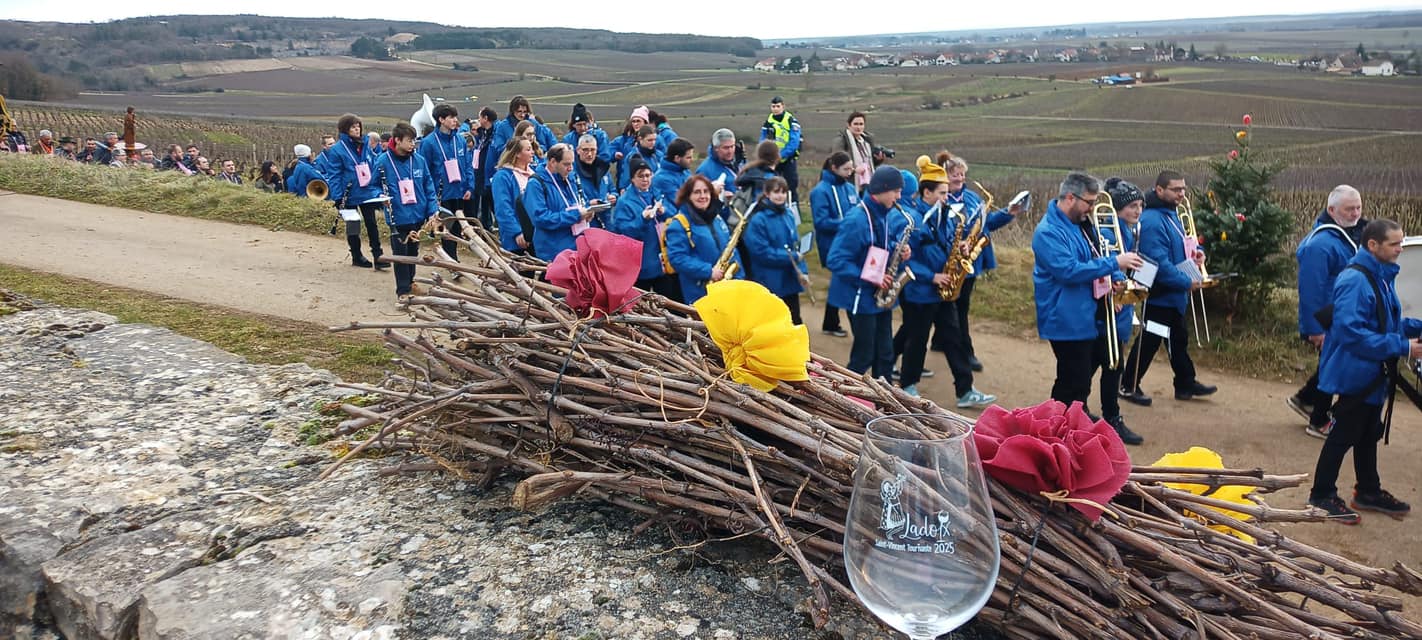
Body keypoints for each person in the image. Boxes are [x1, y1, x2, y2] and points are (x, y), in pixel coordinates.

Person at [1306, 218, 1422, 523]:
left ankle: (1368, 491)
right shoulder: (1356, 280)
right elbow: (1350, 332)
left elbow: (1384, 322)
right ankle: (1321, 495)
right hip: (1355, 372)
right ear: (1373, 245)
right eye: (1394, 244)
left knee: (1368, 431)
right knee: (1344, 433)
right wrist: (1404, 347)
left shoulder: (1380, 275)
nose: (1400, 249)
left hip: (1371, 371)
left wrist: (1415, 328)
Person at [1032, 172, 1143, 414]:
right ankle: (1056, 430)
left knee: (1079, 382)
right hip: (1064, 317)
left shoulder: (1080, 224)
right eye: (1089, 203)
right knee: (1072, 383)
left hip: (1084, 315)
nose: (1092, 209)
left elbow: (1096, 254)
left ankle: (1071, 424)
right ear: (1071, 197)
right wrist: (1115, 263)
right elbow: (1068, 271)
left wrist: (1114, 279)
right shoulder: (1048, 232)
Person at [1119, 170, 1217, 405]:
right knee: (1151, 340)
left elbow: (1181, 247)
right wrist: (1186, 281)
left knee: (1178, 338)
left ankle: (1185, 383)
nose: (1181, 194)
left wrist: (1197, 255)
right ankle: (1128, 385)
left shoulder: (1171, 214)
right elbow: (1158, 263)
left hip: (1172, 292)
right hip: (1160, 293)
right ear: (1159, 190)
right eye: (1175, 189)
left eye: (1183, 189)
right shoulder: (1153, 220)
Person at [928, 153, 1023, 373]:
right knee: (952, 310)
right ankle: (965, 353)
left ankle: (939, 341)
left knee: (959, 307)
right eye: (954, 174)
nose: (960, 178)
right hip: (947, 262)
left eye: (962, 174)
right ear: (944, 176)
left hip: (969, 263)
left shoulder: (972, 198)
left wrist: (1008, 214)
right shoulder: (939, 200)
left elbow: (986, 224)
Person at [1289, 185, 1367, 439]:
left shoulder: (1352, 235)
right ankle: (1319, 419)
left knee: (1331, 364)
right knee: (1334, 366)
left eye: (1358, 207)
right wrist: (1315, 330)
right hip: (1327, 319)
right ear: (1332, 210)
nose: (1355, 213)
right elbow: (1311, 290)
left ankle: (1305, 400)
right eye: (1349, 208)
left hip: (1343, 315)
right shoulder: (1320, 245)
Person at [826, 166, 914, 380]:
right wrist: (873, 276)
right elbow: (835, 259)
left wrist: (897, 249)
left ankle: (883, 402)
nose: (899, 196)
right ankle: (845, 398)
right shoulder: (856, 219)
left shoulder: (882, 214)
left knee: (885, 354)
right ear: (882, 190)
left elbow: (876, 244)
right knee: (863, 356)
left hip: (877, 296)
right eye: (896, 191)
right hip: (861, 296)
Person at [1097, 177, 1147, 445]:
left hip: (1122, 306)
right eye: (1132, 206)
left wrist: (1146, 281)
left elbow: (1134, 261)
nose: (1138, 211)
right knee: (1109, 363)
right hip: (1110, 303)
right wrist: (1119, 284)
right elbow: (1109, 257)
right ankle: (1110, 417)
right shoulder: (1108, 228)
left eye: (1140, 205)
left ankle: (1106, 414)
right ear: (1117, 208)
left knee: (1112, 363)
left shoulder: (1131, 229)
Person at [374, 122, 439, 301]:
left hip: (417, 214)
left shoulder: (419, 160)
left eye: (414, 140)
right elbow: (372, 186)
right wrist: (380, 195)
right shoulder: (382, 161)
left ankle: (411, 282)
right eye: (409, 141)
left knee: (413, 251)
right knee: (400, 254)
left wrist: (432, 209)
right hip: (398, 216)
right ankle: (402, 290)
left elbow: (428, 185)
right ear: (397, 140)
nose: (413, 144)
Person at [664, 175, 743, 304]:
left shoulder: (717, 218)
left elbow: (731, 248)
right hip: (700, 291)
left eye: (706, 191)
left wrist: (738, 275)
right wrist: (708, 271)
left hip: (727, 286)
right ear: (688, 196)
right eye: (697, 192)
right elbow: (677, 259)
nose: (703, 196)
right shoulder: (679, 224)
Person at [608, 155, 678, 299]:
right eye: (641, 176)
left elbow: (675, 214)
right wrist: (642, 219)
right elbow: (623, 232)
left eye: (648, 175)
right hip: (641, 263)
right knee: (641, 302)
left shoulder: (656, 194)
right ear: (632, 179)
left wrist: (664, 212)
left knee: (668, 301)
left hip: (662, 261)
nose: (645, 179)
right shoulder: (625, 201)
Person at [743, 177, 807, 325]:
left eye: (783, 192)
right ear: (767, 193)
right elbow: (760, 252)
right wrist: (791, 257)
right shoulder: (759, 220)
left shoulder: (789, 214)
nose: (780, 196)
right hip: (769, 278)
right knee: (772, 321)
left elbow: (795, 243)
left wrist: (802, 270)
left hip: (789, 277)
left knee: (794, 319)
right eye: (776, 192)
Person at [327, 113, 387, 270]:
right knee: (353, 225)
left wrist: (377, 187)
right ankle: (356, 255)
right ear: (345, 129)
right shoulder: (337, 150)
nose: (357, 129)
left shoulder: (365, 145)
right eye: (353, 127)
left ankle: (378, 256)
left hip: (366, 191)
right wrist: (338, 197)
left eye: (358, 126)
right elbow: (334, 175)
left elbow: (372, 164)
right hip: (349, 193)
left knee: (372, 224)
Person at [809, 152, 858, 338]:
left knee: (839, 281)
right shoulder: (820, 191)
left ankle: (831, 322)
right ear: (834, 168)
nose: (849, 172)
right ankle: (838, 322)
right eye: (846, 169)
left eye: (851, 168)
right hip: (832, 245)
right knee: (843, 281)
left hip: (850, 243)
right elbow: (821, 222)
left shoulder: (850, 189)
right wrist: (846, 223)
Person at [419, 103, 475, 261]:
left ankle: (453, 258)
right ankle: (452, 261)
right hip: (441, 193)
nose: (455, 120)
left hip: (460, 191)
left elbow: (467, 164)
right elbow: (425, 171)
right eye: (451, 117)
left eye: (456, 117)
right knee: (446, 228)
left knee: (458, 227)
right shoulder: (429, 143)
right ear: (441, 119)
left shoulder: (460, 140)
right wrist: (430, 194)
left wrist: (470, 186)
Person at [523, 143, 592, 263]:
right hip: (553, 251)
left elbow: (582, 201)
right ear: (553, 162)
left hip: (576, 245)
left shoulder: (571, 177)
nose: (570, 168)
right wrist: (576, 215)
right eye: (566, 164)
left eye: (572, 163)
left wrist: (588, 212)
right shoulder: (536, 183)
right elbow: (540, 218)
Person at [491, 138, 537, 255]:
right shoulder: (503, 177)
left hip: (537, 235)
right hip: (517, 237)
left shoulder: (535, 174)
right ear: (517, 154)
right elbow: (503, 209)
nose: (532, 152)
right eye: (528, 149)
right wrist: (516, 232)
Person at [759, 96, 802, 206]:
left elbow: (794, 143)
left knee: (791, 187)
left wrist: (780, 155)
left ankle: (794, 215)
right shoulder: (768, 123)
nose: (775, 109)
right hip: (772, 161)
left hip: (788, 159)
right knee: (772, 186)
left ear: (783, 106)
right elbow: (762, 141)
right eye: (773, 106)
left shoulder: (791, 121)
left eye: (778, 106)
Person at [489, 96, 557, 162]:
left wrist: (533, 149)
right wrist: (515, 146)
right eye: (519, 111)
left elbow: (542, 144)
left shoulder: (534, 124)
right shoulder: (502, 126)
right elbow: (498, 148)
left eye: (525, 112)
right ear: (513, 111)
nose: (522, 115)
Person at [572, 133, 615, 220]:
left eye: (593, 150)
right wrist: (588, 204)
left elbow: (612, 189)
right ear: (578, 150)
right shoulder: (572, 172)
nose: (589, 154)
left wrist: (613, 197)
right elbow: (570, 201)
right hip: (586, 220)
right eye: (585, 150)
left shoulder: (603, 168)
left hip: (606, 219)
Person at [471, 106, 500, 230]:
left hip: (490, 174)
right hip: (481, 174)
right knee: (484, 201)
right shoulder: (483, 134)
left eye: (480, 117)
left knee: (494, 203)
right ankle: (486, 226)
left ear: (485, 118)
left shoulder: (495, 134)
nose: (478, 120)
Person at [831, 112, 875, 191]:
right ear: (849, 125)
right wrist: (853, 169)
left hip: (867, 182)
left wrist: (878, 158)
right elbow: (837, 161)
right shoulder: (841, 141)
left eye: (861, 124)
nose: (858, 127)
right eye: (856, 124)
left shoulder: (867, 141)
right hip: (850, 182)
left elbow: (871, 162)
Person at [696, 128, 741, 195]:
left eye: (732, 146)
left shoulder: (741, 162)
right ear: (716, 148)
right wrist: (720, 196)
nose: (730, 151)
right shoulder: (704, 170)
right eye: (726, 148)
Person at [651, 138, 694, 207]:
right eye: (688, 157)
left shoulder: (685, 171)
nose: (692, 160)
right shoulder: (662, 179)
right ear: (677, 158)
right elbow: (681, 202)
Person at [616, 125, 661, 192]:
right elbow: (625, 181)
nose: (653, 143)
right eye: (649, 140)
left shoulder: (658, 155)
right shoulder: (632, 157)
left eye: (655, 140)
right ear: (640, 139)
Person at [609, 106, 650, 172]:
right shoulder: (623, 140)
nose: (636, 124)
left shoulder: (653, 139)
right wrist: (614, 154)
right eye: (633, 121)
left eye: (638, 121)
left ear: (645, 122)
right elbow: (608, 150)